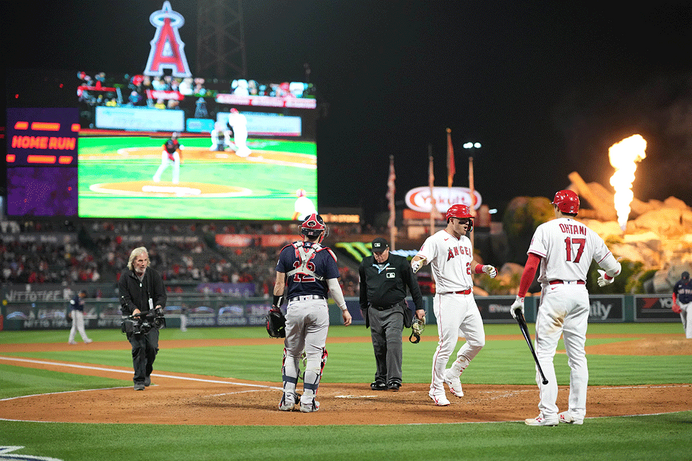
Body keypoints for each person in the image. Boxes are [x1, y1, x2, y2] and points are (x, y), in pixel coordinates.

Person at [509, 190, 622, 426]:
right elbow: (614, 269)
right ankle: (577, 413)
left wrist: (520, 296)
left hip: (556, 293)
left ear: (557, 208)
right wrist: (608, 278)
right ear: (576, 209)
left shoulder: (546, 229)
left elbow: (531, 266)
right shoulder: (590, 233)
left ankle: (549, 414)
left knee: (545, 355)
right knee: (578, 357)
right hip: (580, 294)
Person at [410, 204, 497, 406]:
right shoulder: (436, 240)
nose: (467, 223)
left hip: (468, 297)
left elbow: (469, 265)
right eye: (462, 220)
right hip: (447, 298)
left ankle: (453, 372)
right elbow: (421, 256)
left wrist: (483, 268)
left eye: (468, 220)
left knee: (478, 341)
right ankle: (436, 389)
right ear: (450, 220)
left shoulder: (466, 241)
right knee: (446, 345)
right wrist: (417, 262)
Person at [273, 213, 352, 412]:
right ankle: (308, 400)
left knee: (291, 353)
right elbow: (333, 287)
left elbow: (279, 284)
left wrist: (275, 307)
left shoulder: (287, 252)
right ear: (320, 233)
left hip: (294, 305)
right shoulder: (326, 254)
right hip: (318, 306)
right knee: (315, 355)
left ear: (303, 232)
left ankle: (288, 399)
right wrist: (344, 309)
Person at [359, 237, 425, 391]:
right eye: (375, 253)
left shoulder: (400, 263)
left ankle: (394, 379)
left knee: (394, 342)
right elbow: (363, 287)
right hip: (374, 310)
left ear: (387, 249)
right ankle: (381, 378)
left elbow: (413, 285)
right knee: (379, 346)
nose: (378, 256)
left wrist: (419, 307)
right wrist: (364, 308)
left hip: (395, 309)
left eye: (381, 252)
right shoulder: (366, 264)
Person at [119, 247, 167, 391]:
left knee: (152, 347)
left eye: (145, 260)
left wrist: (159, 305)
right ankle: (139, 380)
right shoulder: (125, 277)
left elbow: (161, 295)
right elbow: (124, 298)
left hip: (151, 318)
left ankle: (146, 372)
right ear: (133, 262)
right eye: (140, 260)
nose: (143, 263)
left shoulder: (154, 275)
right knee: (139, 347)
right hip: (133, 319)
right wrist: (134, 309)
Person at [672, 271, 692, 339]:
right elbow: (674, 293)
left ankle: (689, 338)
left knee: (690, 319)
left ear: (689, 278)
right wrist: (674, 303)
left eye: (686, 280)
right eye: (683, 280)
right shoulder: (678, 283)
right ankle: (688, 337)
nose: (685, 281)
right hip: (681, 304)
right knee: (684, 322)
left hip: (690, 303)